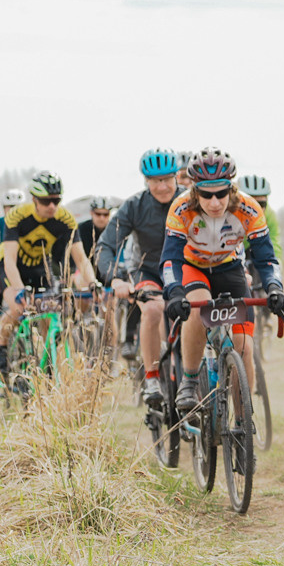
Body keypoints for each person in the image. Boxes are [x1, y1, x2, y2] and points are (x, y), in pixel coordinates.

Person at [160, 149, 284, 412]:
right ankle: (191, 378)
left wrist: (275, 287)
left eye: (222, 192)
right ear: (195, 190)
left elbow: (266, 258)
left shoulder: (248, 207)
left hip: (230, 268)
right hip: (193, 267)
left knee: (244, 348)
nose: (215, 201)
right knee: (199, 306)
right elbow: (170, 258)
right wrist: (174, 292)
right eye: (206, 194)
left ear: (232, 187)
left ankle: (244, 422)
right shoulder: (181, 208)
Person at [0, 172, 95, 382]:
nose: (52, 206)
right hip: (11, 264)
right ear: (34, 200)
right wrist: (19, 290)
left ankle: (44, 365)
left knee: (51, 312)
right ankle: (1, 348)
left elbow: (81, 258)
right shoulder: (17, 216)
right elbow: (10, 260)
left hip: (40, 266)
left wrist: (93, 283)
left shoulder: (65, 219)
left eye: (56, 200)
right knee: (18, 307)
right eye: (46, 201)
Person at [102, 151, 182, 413]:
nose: (162, 186)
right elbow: (106, 245)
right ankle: (151, 379)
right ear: (145, 181)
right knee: (153, 308)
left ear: (176, 177)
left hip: (184, 269)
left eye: (167, 179)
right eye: (154, 181)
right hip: (147, 270)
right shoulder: (134, 206)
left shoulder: (188, 201)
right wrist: (114, 279)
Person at [240, 173, 284, 256]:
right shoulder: (230, 212)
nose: (256, 208)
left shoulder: (269, 215)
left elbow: (274, 242)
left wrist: (276, 263)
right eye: (250, 203)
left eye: (261, 204)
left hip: (253, 248)